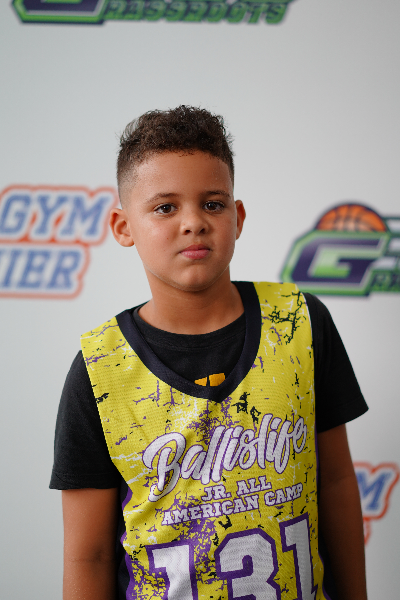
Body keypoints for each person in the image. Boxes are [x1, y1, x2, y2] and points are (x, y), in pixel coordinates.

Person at [50, 106, 368, 600]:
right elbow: (88, 556)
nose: (194, 223)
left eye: (213, 204)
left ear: (237, 218)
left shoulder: (300, 323)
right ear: (123, 226)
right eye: (165, 208)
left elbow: (338, 484)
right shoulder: (100, 369)